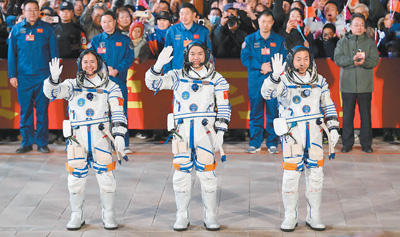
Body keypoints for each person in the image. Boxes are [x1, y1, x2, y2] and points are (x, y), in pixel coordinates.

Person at [145, 42, 231, 231]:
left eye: (200, 54)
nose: (196, 57)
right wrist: (157, 67)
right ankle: (182, 215)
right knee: (180, 175)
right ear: (187, 56)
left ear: (207, 55)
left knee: (208, 174)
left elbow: (224, 106)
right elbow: (152, 84)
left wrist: (221, 130)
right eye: (192, 54)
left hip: (206, 131)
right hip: (182, 131)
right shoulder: (176, 76)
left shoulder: (217, 78)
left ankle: (210, 215)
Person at [43, 50, 128, 230]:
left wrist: (119, 133)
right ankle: (77, 213)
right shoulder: (71, 85)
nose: (89, 65)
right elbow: (52, 93)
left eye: (92, 62)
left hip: (101, 137)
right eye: (85, 62)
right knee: (75, 178)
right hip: (77, 137)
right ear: (80, 64)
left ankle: (109, 213)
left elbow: (118, 110)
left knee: (106, 177)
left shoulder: (110, 85)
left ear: (98, 63)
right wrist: (53, 79)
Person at [261, 46, 340, 232]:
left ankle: (314, 215)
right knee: (290, 175)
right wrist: (274, 76)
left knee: (316, 175)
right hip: (292, 134)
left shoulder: (319, 80)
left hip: (314, 131)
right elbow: (267, 94)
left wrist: (334, 127)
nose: (302, 63)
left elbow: (328, 104)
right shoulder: (284, 80)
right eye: (298, 59)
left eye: (306, 59)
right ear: (291, 61)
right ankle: (290, 215)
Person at [8, 0, 59, 153]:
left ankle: (42, 143)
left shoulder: (48, 30)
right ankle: (26, 142)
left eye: (34, 10)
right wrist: (12, 75)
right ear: (23, 12)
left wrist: (54, 76)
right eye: (28, 10)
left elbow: (54, 54)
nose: (32, 13)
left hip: (43, 77)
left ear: (39, 11)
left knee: (42, 111)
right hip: (23, 78)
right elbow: (12, 55)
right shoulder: (16, 30)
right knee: (26, 111)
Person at [241, 10, 287, 154]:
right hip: (256, 82)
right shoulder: (250, 40)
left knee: (273, 113)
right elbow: (245, 58)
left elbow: (285, 59)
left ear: (272, 23)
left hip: (274, 82)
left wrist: (272, 68)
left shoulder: (279, 40)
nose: (265, 24)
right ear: (258, 22)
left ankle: (273, 142)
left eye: (268, 21)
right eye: (263, 21)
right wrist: (260, 66)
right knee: (256, 113)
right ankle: (255, 143)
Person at [90, 10, 135, 153]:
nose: (107, 24)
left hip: (118, 81)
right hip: (100, 84)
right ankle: (104, 143)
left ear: (115, 22)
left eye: (110, 21)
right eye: (104, 22)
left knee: (120, 112)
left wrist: (116, 70)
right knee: (101, 113)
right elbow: (90, 59)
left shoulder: (125, 40)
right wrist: (101, 69)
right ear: (100, 24)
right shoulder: (96, 40)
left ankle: (123, 144)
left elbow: (129, 58)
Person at [334, 14, 379, 153]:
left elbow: (375, 61)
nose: (359, 27)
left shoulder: (370, 43)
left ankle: (366, 144)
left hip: (365, 86)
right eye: (356, 24)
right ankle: (347, 144)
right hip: (347, 85)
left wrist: (364, 62)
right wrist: (351, 60)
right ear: (350, 27)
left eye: (361, 25)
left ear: (365, 28)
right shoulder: (342, 42)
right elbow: (337, 59)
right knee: (347, 115)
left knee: (366, 115)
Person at [163, 2, 212, 73]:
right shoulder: (172, 30)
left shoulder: (203, 31)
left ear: (194, 15)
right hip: (177, 72)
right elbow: (166, 54)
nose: (183, 17)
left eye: (186, 14)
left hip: (198, 73)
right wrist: (167, 73)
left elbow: (209, 53)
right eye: (181, 14)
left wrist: (208, 72)